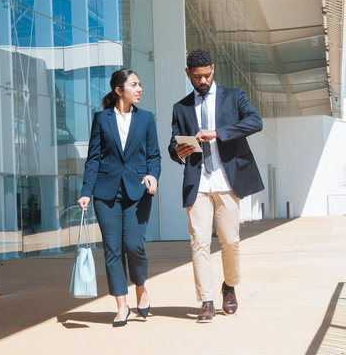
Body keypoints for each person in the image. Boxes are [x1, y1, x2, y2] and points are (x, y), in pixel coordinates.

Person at [168, 49, 264, 322]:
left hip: (226, 181)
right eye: (196, 77)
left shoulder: (234, 96)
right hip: (197, 183)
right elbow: (172, 145)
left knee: (230, 242)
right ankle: (207, 301)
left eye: (207, 75)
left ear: (213, 69)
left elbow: (255, 121)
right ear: (188, 74)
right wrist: (179, 152)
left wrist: (218, 133)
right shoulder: (181, 107)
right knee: (199, 243)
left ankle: (229, 286)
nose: (202, 81)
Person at [77, 68, 161, 327]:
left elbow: (154, 156)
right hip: (106, 193)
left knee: (134, 245)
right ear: (118, 90)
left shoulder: (146, 119)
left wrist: (153, 175)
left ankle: (140, 287)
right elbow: (93, 158)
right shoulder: (102, 119)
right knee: (113, 249)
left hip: (138, 191)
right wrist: (86, 192)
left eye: (140, 84)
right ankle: (121, 305)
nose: (139, 89)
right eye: (134, 84)